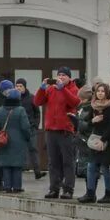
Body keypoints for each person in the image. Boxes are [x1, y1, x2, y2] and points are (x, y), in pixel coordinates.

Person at [34, 67, 80, 199]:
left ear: (69, 78)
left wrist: (63, 89)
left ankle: (68, 189)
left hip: (65, 130)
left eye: (64, 75)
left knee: (67, 161)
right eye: (59, 75)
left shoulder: (73, 89)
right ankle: (54, 188)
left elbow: (75, 102)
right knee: (53, 162)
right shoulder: (51, 89)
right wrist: (42, 88)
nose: (61, 77)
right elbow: (37, 101)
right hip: (51, 130)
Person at [77, 83, 110, 204]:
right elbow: (88, 122)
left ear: (107, 93)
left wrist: (103, 139)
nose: (100, 93)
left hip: (107, 141)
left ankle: (108, 194)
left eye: (103, 91)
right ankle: (90, 193)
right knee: (91, 166)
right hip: (95, 139)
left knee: (105, 168)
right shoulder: (93, 106)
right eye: (98, 91)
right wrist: (92, 121)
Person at [0, 87, 31, 194]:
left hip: (4, 141)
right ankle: (16, 187)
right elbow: (25, 127)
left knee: (6, 164)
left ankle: (7, 186)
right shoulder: (20, 110)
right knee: (17, 165)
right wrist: (27, 137)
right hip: (18, 141)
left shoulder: (0, 109)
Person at [15, 79, 45, 179]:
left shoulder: (32, 97)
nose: (18, 88)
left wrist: (36, 125)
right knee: (18, 150)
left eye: (20, 86)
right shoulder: (14, 98)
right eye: (17, 86)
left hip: (30, 128)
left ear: (24, 87)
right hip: (18, 129)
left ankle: (37, 171)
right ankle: (19, 170)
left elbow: (37, 112)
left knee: (33, 149)